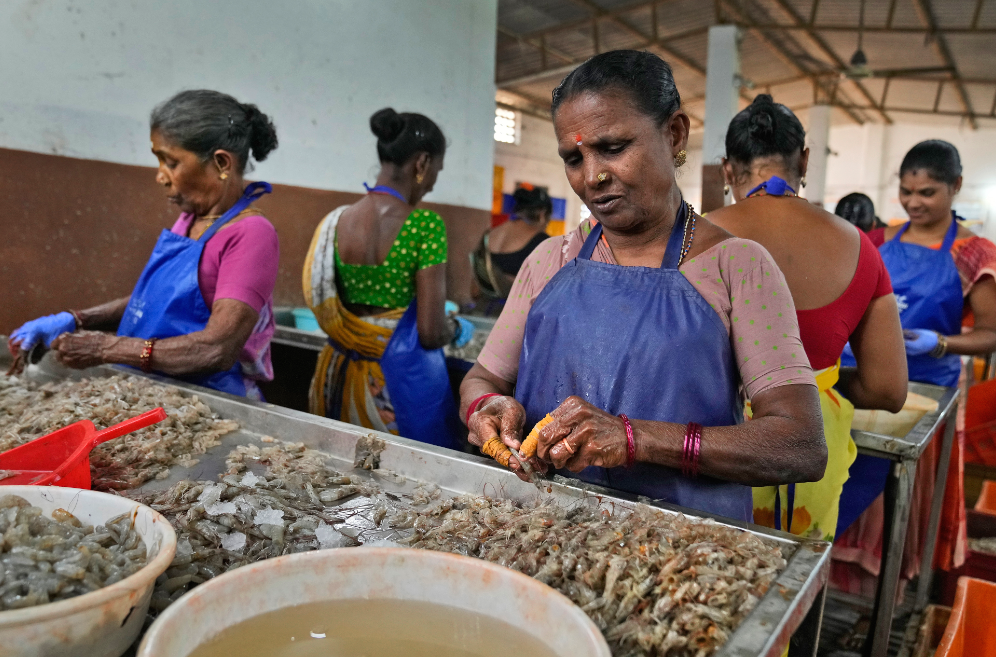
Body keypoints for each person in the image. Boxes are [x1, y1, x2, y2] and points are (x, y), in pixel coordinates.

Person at [458, 50, 827, 522]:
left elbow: (800, 443)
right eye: (574, 158)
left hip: (679, 553)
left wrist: (636, 439)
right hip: (539, 527)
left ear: (674, 133)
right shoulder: (550, 261)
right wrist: (487, 407)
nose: (593, 176)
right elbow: (483, 379)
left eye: (613, 147)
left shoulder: (738, 268)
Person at [707, 94, 907, 541]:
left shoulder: (692, 238)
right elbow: (888, 389)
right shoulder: (861, 248)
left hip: (709, 450)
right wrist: (819, 381)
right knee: (790, 591)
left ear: (726, 169)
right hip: (808, 456)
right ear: (806, 159)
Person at [8, 90, 281, 399]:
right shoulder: (190, 220)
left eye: (171, 162)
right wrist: (77, 319)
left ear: (221, 162)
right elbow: (155, 301)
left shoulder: (251, 234)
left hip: (210, 400)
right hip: (151, 389)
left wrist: (107, 347)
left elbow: (216, 349)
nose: (160, 177)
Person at [834, 140, 996, 591]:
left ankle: (885, 589)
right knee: (845, 480)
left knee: (897, 500)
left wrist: (941, 343)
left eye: (927, 192)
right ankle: (836, 582)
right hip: (866, 382)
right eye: (907, 191)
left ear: (956, 187)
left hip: (927, 392)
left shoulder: (973, 252)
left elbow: (992, 334)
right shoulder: (880, 240)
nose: (913, 202)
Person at [304, 107, 473, 448]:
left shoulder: (337, 220)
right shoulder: (424, 225)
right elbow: (429, 332)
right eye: (437, 170)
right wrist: (456, 329)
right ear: (422, 164)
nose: (434, 182)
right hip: (391, 385)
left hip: (336, 374)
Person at [471, 187, 552, 304]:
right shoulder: (542, 241)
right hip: (515, 314)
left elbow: (475, 288)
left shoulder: (490, 234)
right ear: (543, 213)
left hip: (483, 308)